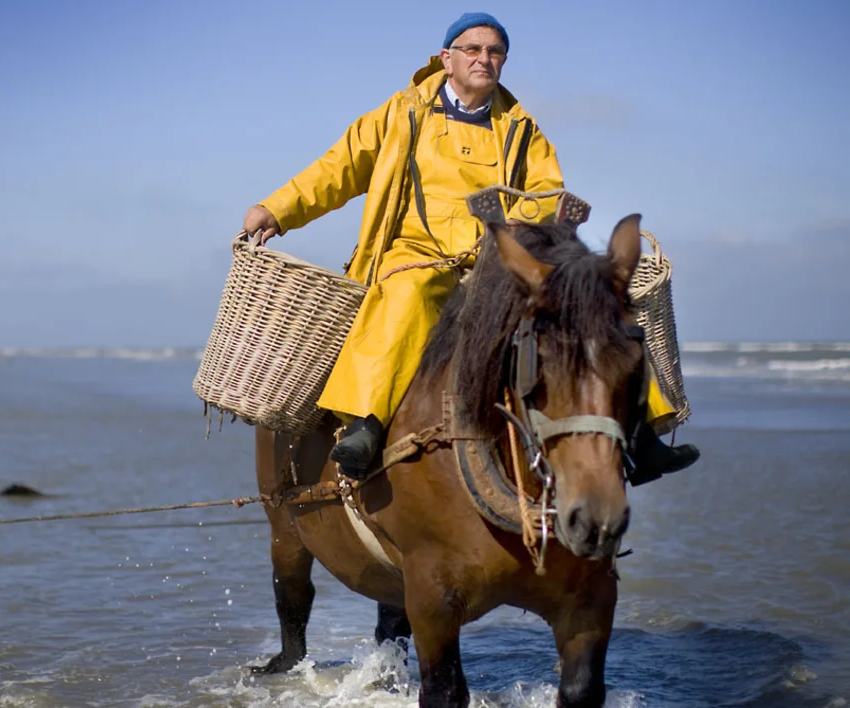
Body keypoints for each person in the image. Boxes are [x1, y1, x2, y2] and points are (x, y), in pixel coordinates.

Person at [242, 12, 698, 483]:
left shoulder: (522, 128)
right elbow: (338, 168)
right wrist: (277, 209)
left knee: (591, 309)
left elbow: (548, 195)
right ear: (447, 58)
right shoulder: (402, 113)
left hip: (495, 260)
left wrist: (534, 220)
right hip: (414, 253)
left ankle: (643, 437)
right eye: (473, 49)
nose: (485, 58)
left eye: (495, 52)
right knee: (405, 297)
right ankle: (366, 425)